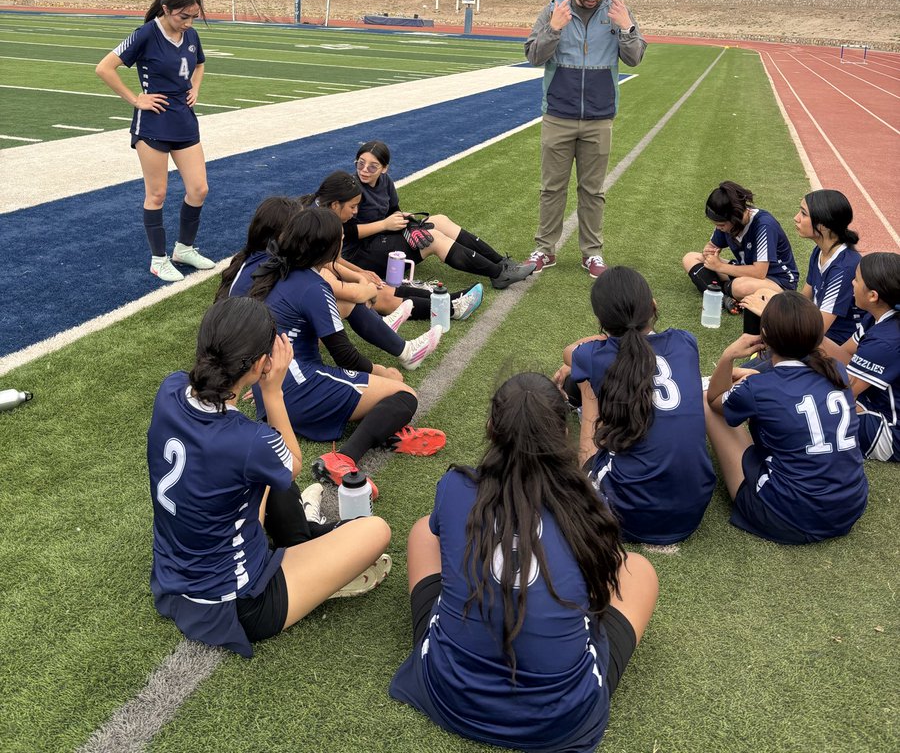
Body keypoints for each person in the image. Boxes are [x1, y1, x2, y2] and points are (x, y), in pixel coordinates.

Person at [389, 373, 659, 753]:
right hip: (559, 723)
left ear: (490, 428)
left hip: (450, 696)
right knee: (640, 572)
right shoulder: (588, 507)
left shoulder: (455, 488)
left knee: (423, 531)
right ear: (561, 435)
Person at [147, 295, 392, 658]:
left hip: (171, 576)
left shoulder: (169, 390)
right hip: (239, 602)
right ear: (263, 363)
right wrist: (272, 391)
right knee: (376, 530)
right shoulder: (252, 441)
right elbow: (291, 463)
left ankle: (306, 547)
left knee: (261, 480)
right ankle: (318, 570)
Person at [240, 207, 446, 493]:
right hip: (300, 390)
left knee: (384, 390)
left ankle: (389, 432)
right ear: (327, 248)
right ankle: (344, 458)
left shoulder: (279, 270)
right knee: (403, 393)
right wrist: (382, 371)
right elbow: (344, 355)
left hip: (276, 389)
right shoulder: (313, 285)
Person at [562, 267, 715, 544]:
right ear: (653, 306)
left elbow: (569, 353)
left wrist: (597, 351)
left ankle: (589, 476)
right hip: (693, 507)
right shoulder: (685, 342)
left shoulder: (594, 356)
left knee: (585, 389)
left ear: (601, 321)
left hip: (629, 514)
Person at [705, 292, 868, 544]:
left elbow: (715, 400)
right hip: (850, 506)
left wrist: (728, 357)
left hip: (791, 516)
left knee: (708, 404)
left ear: (765, 335)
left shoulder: (761, 388)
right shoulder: (836, 368)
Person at [524, 0, 646, 278]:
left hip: (599, 117)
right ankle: (544, 250)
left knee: (593, 191)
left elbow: (635, 58)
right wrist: (553, 29)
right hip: (558, 115)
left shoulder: (617, 12)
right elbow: (533, 55)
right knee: (552, 188)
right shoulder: (555, 9)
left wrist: (627, 28)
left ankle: (591, 253)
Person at [220, 193, 441, 370]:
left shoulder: (261, 256)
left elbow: (328, 265)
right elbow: (349, 294)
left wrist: (359, 275)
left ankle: (382, 329)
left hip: (251, 341)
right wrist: (369, 287)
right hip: (256, 351)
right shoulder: (284, 266)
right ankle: (404, 350)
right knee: (345, 303)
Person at [95, 0, 214, 282]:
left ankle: (183, 249)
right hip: (153, 123)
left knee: (199, 189)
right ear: (166, 9)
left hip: (184, 121)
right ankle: (158, 259)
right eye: (182, 16)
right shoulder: (146, 33)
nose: (188, 23)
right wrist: (136, 98)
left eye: (193, 17)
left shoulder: (191, 35)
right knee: (157, 193)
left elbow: (199, 64)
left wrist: (195, 89)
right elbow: (104, 68)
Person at [346, 141, 533, 290]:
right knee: (434, 239)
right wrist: (385, 224)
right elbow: (345, 232)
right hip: (358, 253)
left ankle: (502, 262)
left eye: (372, 166)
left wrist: (402, 219)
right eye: (360, 164)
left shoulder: (385, 181)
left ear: (384, 168)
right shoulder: (351, 188)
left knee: (439, 220)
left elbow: (393, 209)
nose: (364, 170)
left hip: (381, 238)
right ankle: (499, 274)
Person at [299, 171, 483, 323]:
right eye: (353, 207)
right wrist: (359, 276)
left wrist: (361, 272)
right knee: (379, 295)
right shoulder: (318, 226)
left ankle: (450, 301)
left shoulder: (319, 214)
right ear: (335, 204)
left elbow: (330, 260)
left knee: (378, 286)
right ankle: (451, 308)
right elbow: (327, 265)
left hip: (312, 277)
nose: (355, 213)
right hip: (306, 287)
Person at [824, 251, 900, 463]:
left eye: (856, 279)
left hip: (890, 431)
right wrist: (807, 334)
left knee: (816, 413)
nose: (852, 282)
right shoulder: (879, 316)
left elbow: (843, 391)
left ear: (873, 295)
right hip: (875, 401)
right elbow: (845, 353)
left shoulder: (886, 341)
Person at [682, 181, 799, 310]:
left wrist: (720, 266)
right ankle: (725, 299)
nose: (718, 228)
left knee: (740, 286)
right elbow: (712, 246)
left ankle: (718, 291)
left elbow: (759, 272)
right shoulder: (728, 223)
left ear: (735, 218)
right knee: (691, 258)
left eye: (721, 225)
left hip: (778, 282)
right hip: (744, 272)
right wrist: (709, 253)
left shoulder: (764, 225)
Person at [794, 189, 863, 343]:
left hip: (836, 343)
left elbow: (819, 330)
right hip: (821, 331)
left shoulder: (844, 268)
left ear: (824, 225)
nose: (796, 218)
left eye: (804, 214)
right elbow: (805, 298)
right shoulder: (820, 250)